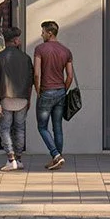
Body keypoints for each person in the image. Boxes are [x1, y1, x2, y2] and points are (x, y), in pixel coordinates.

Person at [32, 19, 76, 170]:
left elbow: (37, 73)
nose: (41, 34)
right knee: (57, 126)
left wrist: (38, 90)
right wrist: (63, 89)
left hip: (46, 91)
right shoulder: (66, 51)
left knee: (42, 127)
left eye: (43, 32)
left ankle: (56, 155)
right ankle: (58, 157)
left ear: (49, 33)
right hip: (60, 92)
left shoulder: (40, 49)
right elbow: (69, 75)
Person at [0, 24, 34, 170]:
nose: (20, 41)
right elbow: (31, 80)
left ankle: (11, 159)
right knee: (20, 128)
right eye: (19, 39)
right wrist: (29, 98)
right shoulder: (26, 58)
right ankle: (19, 158)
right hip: (22, 97)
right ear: (15, 40)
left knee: (5, 128)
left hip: (5, 97)